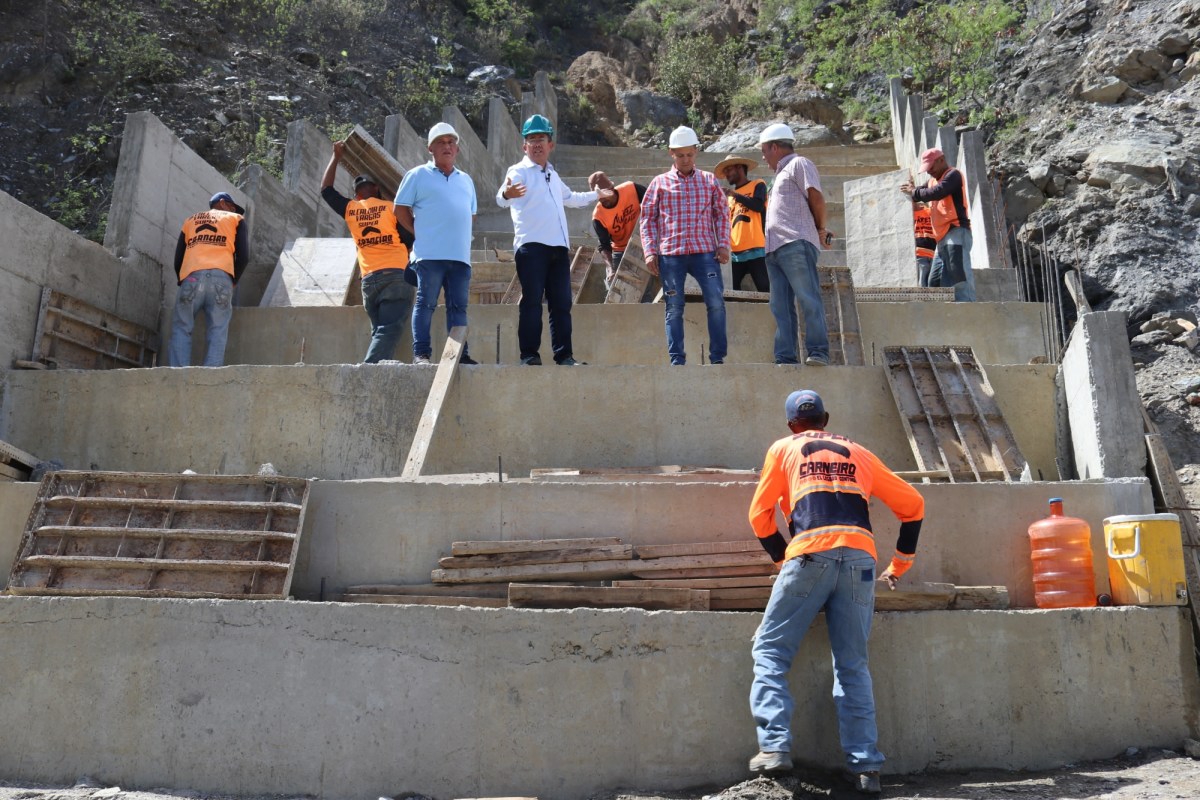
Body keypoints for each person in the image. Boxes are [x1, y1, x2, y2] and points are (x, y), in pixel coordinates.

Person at [747, 389, 925, 795]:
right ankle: (867, 770)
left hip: (809, 554)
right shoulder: (859, 452)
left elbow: (759, 516)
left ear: (792, 424)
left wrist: (785, 562)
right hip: (861, 560)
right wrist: (899, 566)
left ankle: (774, 748)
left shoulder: (784, 448)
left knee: (770, 651)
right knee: (852, 664)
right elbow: (913, 505)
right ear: (826, 419)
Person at [496, 114, 598, 366]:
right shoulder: (519, 171)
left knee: (561, 304)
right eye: (532, 139)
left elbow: (572, 198)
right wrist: (506, 193)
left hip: (558, 248)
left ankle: (564, 355)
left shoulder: (552, 174)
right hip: (532, 247)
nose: (537, 143)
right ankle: (529, 355)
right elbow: (502, 195)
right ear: (524, 146)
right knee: (531, 301)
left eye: (541, 138)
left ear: (550, 144)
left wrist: (598, 194)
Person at [639, 125, 730, 366]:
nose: (685, 159)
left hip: (704, 253)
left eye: (689, 154)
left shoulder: (709, 180)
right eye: (680, 155)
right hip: (671, 255)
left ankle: (717, 358)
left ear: (696, 152)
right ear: (671, 153)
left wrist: (723, 244)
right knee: (674, 308)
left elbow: (722, 214)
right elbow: (647, 219)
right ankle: (677, 360)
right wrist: (650, 251)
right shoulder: (659, 183)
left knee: (716, 302)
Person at [320, 141, 415, 363]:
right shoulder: (390, 207)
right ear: (377, 190)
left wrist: (336, 157)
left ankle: (377, 376)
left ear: (356, 195)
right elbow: (411, 236)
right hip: (395, 276)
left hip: (369, 280)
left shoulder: (351, 209)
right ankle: (368, 370)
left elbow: (326, 190)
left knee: (379, 333)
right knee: (387, 331)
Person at [394, 122, 478, 365]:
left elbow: (470, 214)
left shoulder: (466, 180)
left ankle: (459, 355)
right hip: (429, 255)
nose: (447, 146)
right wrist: (417, 231)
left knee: (459, 308)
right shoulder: (418, 175)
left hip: (460, 257)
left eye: (451, 142)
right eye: (441, 142)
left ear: (458, 150)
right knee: (426, 303)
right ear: (430, 148)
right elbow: (400, 209)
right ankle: (421, 354)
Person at [759, 123, 833, 366]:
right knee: (780, 306)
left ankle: (818, 352)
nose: (763, 156)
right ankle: (785, 357)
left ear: (774, 147)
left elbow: (816, 197)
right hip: (775, 248)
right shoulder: (779, 175)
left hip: (795, 243)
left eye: (764, 150)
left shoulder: (799, 164)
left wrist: (821, 229)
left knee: (808, 297)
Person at [167, 191, 249, 367]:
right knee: (218, 330)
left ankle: (178, 376)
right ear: (221, 203)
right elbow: (243, 256)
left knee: (182, 327)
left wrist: (183, 280)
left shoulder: (190, 220)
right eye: (232, 206)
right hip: (222, 278)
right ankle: (209, 378)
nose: (235, 211)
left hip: (191, 277)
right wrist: (233, 281)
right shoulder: (235, 219)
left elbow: (178, 258)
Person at [901, 148, 976, 302]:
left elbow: (937, 192)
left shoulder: (952, 175)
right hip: (941, 238)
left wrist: (914, 192)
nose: (929, 172)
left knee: (958, 275)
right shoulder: (931, 181)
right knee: (934, 282)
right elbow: (918, 193)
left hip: (956, 230)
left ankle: (968, 308)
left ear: (941, 160)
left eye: (931, 167)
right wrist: (911, 188)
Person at [715, 154, 769, 292]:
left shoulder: (757, 184)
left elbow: (758, 206)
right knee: (731, 290)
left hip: (757, 248)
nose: (726, 175)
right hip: (735, 252)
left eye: (728, 170)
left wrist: (735, 195)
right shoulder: (730, 197)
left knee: (765, 288)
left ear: (739, 167)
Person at [590, 173, 646, 286]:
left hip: (644, 244)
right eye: (598, 197)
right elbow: (604, 245)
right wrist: (611, 268)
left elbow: (654, 201)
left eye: (605, 195)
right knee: (612, 283)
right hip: (620, 249)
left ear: (612, 188)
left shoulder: (630, 189)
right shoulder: (598, 216)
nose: (602, 199)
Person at [913, 200, 936, 288]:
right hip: (920, 252)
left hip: (933, 253)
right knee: (922, 283)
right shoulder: (912, 214)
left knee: (930, 282)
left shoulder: (931, 212)